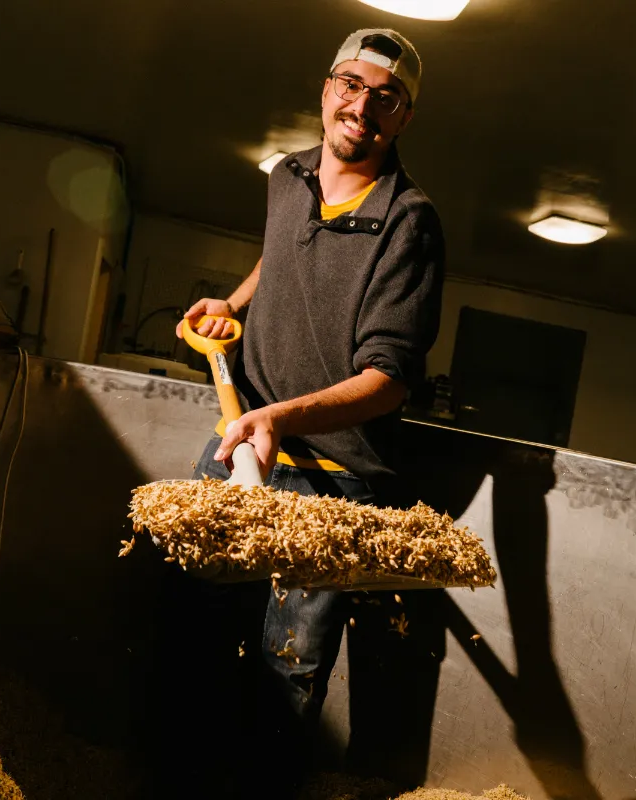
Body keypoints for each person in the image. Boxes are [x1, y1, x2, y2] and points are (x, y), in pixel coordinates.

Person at [176, 27, 444, 795]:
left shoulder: (410, 221)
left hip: (332, 480)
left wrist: (282, 418)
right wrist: (232, 302)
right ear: (327, 89)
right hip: (237, 452)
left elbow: (390, 379)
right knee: (195, 640)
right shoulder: (287, 176)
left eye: (386, 98)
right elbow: (284, 251)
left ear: (403, 120)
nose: (364, 106)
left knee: (286, 675)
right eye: (352, 86)